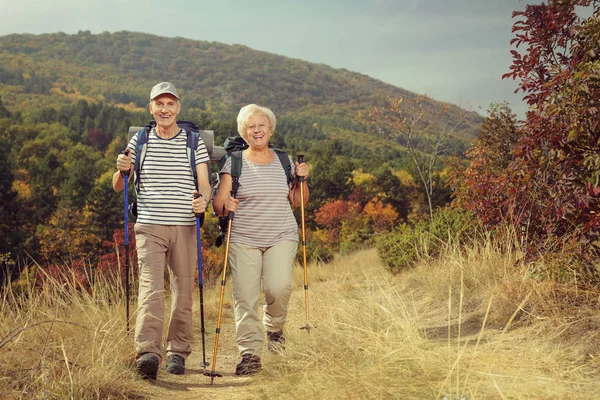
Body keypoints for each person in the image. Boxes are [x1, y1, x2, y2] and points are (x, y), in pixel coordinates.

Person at [112, 82, 212, 380]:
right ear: (151, 108)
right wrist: (120, 168)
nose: (165, 109)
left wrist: (203, 202)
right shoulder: (138, 141)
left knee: (183, 289)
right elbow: (119, 185)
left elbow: (205, 185)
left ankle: (177, 352)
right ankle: (147, 353)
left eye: (170, 104)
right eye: (159, 104)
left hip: (184, 225)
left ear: (178, 108)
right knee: (151, 288)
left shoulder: (194, 142)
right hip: (149, 226)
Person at [212, 104, 310, 375]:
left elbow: (299, 201)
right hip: (243, 236)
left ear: (270, 129)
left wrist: (302, 180)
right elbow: (218, 204)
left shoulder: (284, 160)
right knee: (245, 296)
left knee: (278, 288)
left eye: (261, 125)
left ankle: (275, 330)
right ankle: (250, 354)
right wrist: (225, 204)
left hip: (281, 234)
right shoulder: (234, 162)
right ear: (244, 132)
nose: (257, 130)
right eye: (251, 126)